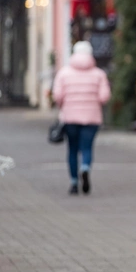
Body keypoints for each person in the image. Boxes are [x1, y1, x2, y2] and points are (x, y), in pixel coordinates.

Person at [52, 41, 110, 195]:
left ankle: (73, 182)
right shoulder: (99, 74)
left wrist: (64, 105)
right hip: (92, 118)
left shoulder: (64, 73)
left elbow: (58, 96)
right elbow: (104, 97)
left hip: (70, 118)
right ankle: (85, 167)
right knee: (87, 147)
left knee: (72, 149)